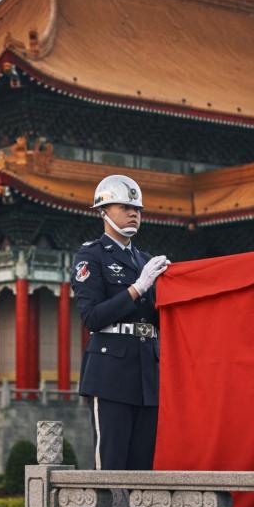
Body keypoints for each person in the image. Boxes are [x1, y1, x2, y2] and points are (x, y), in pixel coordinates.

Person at [71, 174, 169, 471]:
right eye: (125, 206)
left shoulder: (144, 260)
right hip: (110, 373)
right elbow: (92, 317)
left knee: (143, 468)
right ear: (103, 211)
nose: (133, 214)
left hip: (146, 374)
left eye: (137, 209)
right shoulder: (91, 256)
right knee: (112, 465)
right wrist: (138, 288)